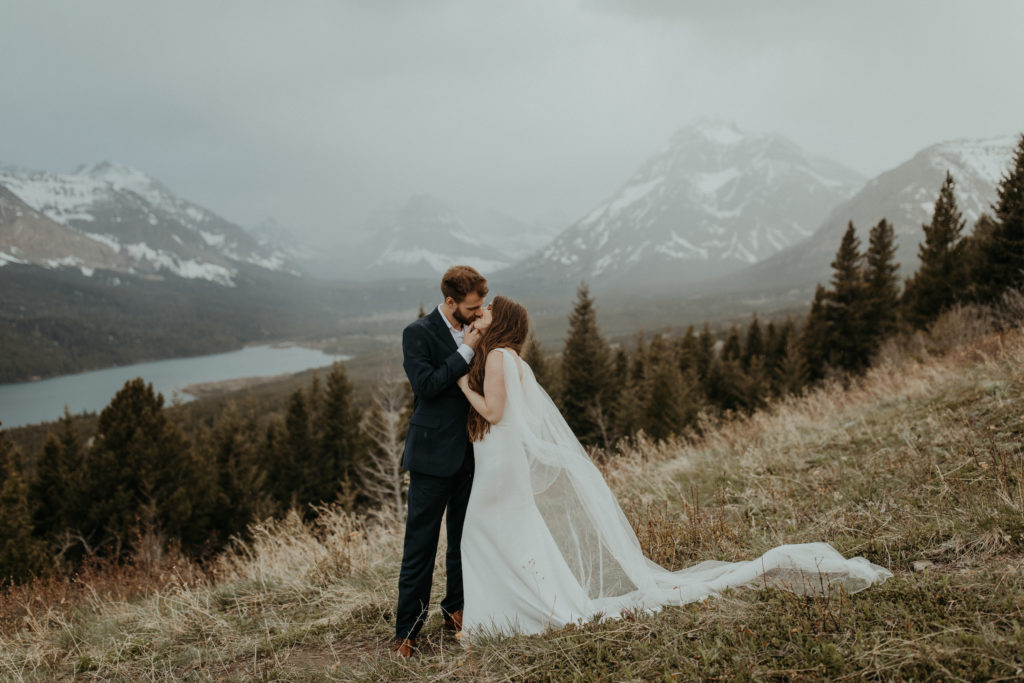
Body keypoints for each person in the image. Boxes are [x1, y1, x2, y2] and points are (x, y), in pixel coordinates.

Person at [455, 295, 892, 639]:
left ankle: (509, 614)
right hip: (501, 462)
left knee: (481, 533)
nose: (484, 309)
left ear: (504, 319)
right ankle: (515, 612)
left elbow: (494, 413)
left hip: (498, 466)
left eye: (491, 307)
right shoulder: (510, 359)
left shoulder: (497, 358)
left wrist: (460, 383)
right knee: (505, 534)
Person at [393, 265, 490, 657]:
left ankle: (456, 609)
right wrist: (467, 349)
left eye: (482, 304)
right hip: (431, 458)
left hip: (472, 452)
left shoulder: (481, 327)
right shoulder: (416, 334)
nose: (479, 312)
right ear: (450, 302)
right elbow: (428, 386)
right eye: (472, 306)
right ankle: (407, 632)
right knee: (421, 545)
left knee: (465, 540)